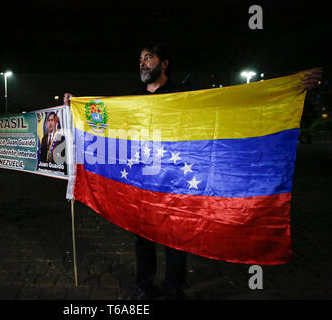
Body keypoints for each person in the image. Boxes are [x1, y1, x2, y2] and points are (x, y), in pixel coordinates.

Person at [66, 43, 323, 300]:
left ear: (164, 63)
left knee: (176, 238)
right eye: (140, 60)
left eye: (149, 57)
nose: (143, 63)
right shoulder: (133, 99)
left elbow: (227, 107)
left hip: (174, 183)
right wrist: (74, 104)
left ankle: (173, 290)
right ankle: (144, 287)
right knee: (142, 237)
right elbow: (102, 117)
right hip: (140, 182)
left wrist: (291, 86)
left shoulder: (184, 96)